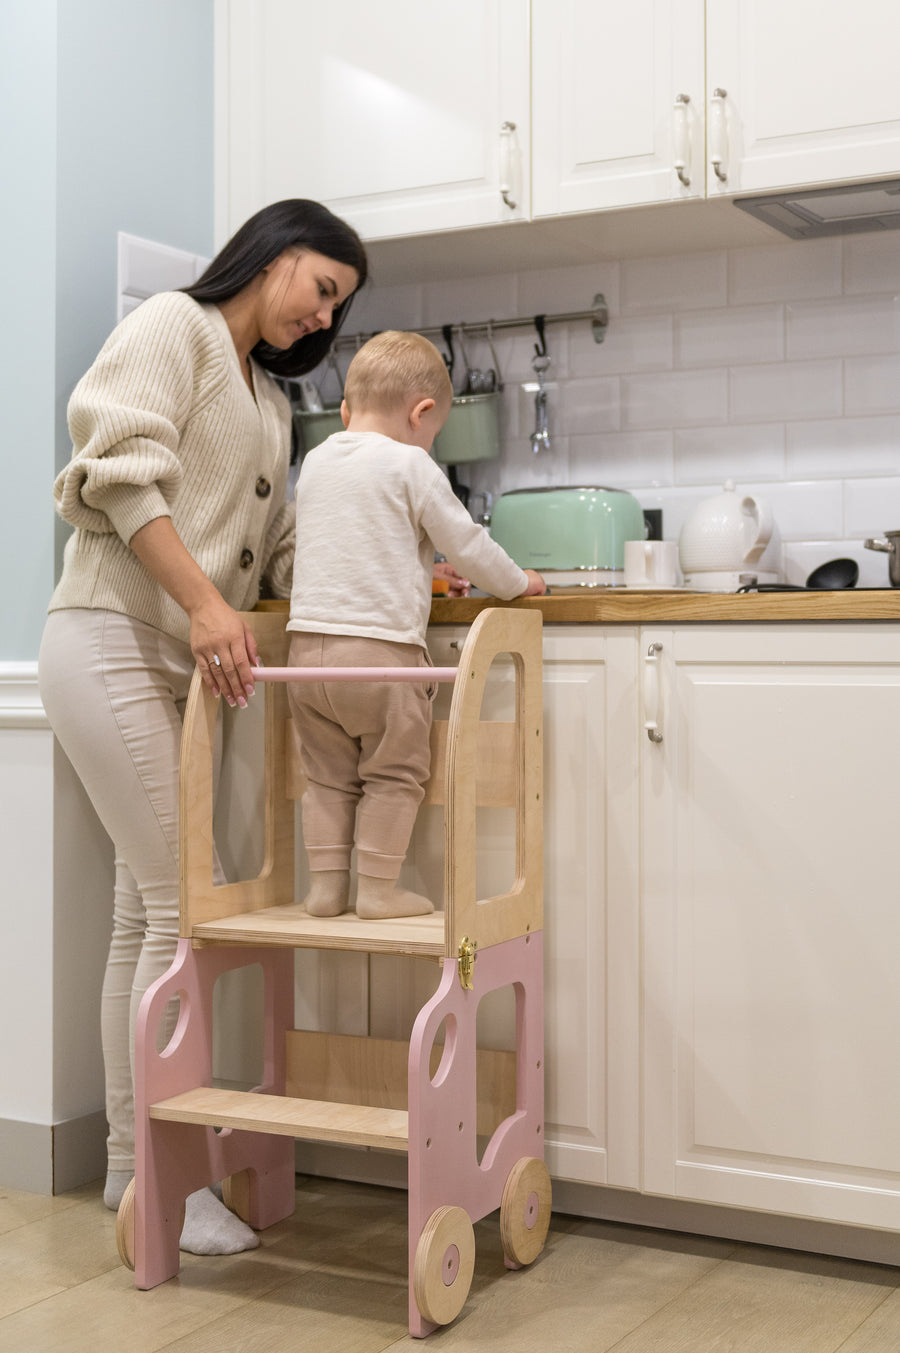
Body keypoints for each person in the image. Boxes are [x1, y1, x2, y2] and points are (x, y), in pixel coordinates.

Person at [38, 199, 370, 1256]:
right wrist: (206, 608)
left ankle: (134, 1177)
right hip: (106, 637)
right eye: (322, 288)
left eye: (338, 312)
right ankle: (166, 1188)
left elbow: (266, 558)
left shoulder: (270, 401)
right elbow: (118, 477)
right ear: (278, 249)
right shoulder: (172, 329)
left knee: (147, 914)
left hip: (179, 661)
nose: (321, 319)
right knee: (186, 905)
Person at [286, 330, 546, 921]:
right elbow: (472, 545)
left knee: (326, 777)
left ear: (347, 411)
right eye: (434, 430)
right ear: (421, 413)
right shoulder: (412, 464)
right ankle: (377, 891)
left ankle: (326, 890)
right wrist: (516, 583)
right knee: (394, 773)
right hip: (378, 658)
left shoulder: (319, 462)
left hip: (303, 657)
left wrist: (428, 574)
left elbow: (355, 553)